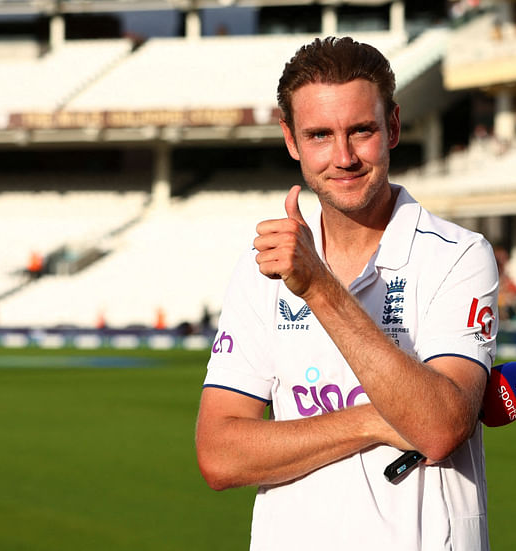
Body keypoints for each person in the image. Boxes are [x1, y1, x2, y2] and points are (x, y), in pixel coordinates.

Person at [195, 36, 499, 550]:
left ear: (394, 127)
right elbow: (220, 456)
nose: (343, 157)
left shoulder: (458, 256)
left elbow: (440, 426)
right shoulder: (262, 268)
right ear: (291, 140)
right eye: (319, 135)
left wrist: (317, 285)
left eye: (361, 131)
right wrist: (377, 420)